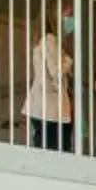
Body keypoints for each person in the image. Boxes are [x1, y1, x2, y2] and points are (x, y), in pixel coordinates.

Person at [24, 13, 73, 151]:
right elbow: (56, 72)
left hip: (42, 107)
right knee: (56, 151)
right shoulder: (50, 39)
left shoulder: (42, 41)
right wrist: (68, 62)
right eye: (68, 16)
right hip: (50, 109)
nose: (71, 21)